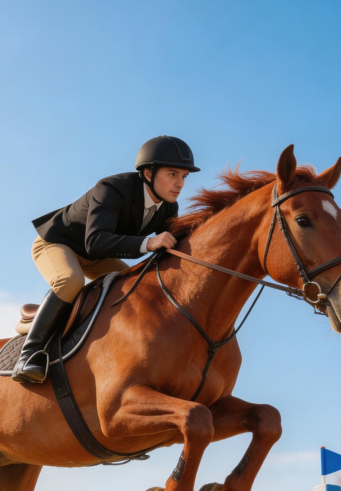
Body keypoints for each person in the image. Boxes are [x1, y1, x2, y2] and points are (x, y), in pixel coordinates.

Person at [11, 135, 200, 384]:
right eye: (172, 174)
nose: (180, 184)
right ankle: (30, 354)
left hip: (99, 256)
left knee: (134, 289)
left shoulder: (167, 207)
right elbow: (96, 240)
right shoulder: (111, 188)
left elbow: (174, 246)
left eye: (184, 177)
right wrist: (147, 243)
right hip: (57, 243)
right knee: (70, 281)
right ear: (147, 173)